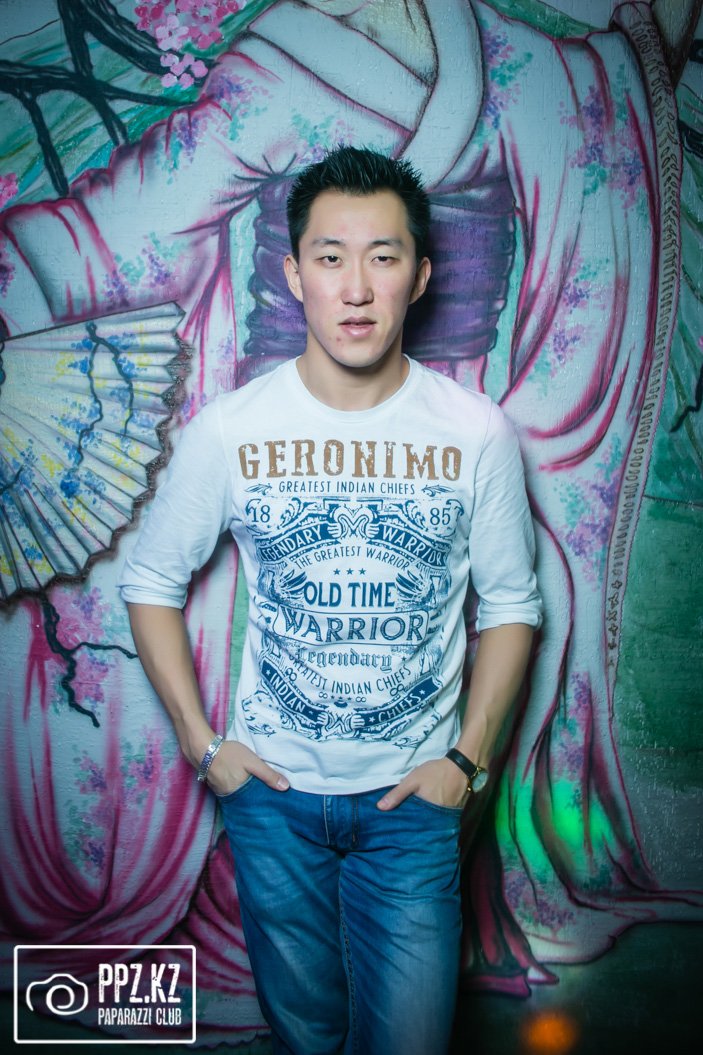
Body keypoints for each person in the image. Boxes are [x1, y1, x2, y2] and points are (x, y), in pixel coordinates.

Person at [118, 145, 542, 1055]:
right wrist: (203, 745)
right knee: (306, 1034)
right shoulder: (231, 429)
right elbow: (149, 583)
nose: (355, 288)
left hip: (412, 804)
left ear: (418, 276)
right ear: (293, 274)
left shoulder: (475, 433)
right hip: (270, 800)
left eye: (382, 257)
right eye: (330, 256)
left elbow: (512, 605)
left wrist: (464, 761)